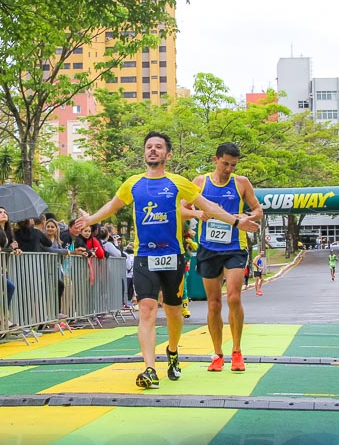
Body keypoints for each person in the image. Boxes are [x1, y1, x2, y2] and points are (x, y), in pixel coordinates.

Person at [74, 131, 259, 389]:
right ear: (144, 153)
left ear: (167, 154)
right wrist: (91, 219)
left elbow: (209, 207)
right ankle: (150, 368)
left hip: (172, 256)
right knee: (147, 310)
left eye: (158, 147)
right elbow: (113, 206)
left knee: (173, 312)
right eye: (149, 147)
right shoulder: (133, 183)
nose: (153, 150)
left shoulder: (178, 182)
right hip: (144, 257)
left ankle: (172, 351)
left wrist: (237, 220)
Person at [182, 142, 263, 373]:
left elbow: (258, 210)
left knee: (235, 297)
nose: (229, 168)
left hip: (235, 246)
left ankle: (237, 351)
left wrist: (244, 216)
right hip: (208, 248)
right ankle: (217, 353)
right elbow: (181, 209)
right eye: (225, 163)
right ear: (215, 160)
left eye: (233, 165)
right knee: (214, 303)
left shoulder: (241, 183)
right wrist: (197, 212)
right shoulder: (200, 182)